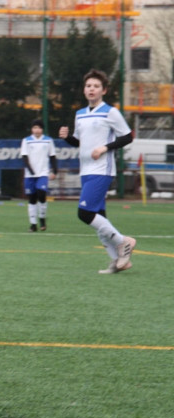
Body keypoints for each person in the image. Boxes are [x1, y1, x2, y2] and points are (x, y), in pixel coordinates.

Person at [58, 69, 136, 274]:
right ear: (84, 90)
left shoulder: (110, 112)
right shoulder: (80, 114)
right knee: (99, 216)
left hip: (102, 169)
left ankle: (124, 242)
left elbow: (127, 137)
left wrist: (105, 148)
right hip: (86, 170)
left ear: (104, 90)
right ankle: (119, 261)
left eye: (96, 86)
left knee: (84, 213)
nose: (91, 89)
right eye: (88, 86)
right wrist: (67, 138)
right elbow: (80, 142)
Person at [20, 118, 58, 232]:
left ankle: (42, 218)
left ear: (42, 129)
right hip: (30, 175)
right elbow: (24, 157)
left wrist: (55, 171)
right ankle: (33, 224)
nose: (37, 130)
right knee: (32, 198)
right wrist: (31, 170)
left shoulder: (48, 141)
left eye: (39, 128)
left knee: (41, 194)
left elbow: (53, 156)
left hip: (43, 173)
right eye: (34, 127)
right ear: (32, 129)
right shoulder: (26, 140)